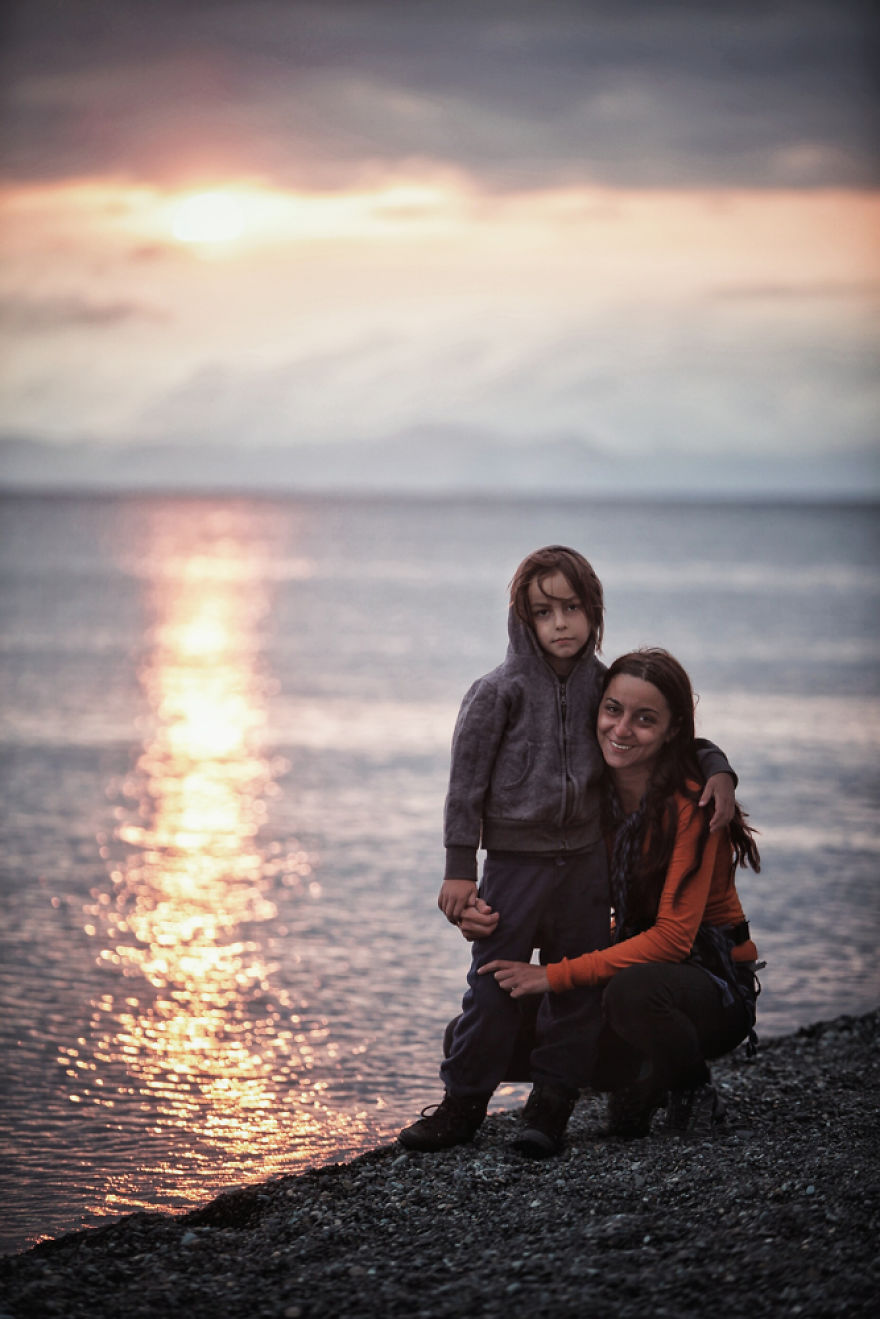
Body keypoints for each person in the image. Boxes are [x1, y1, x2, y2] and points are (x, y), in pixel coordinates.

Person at [398, 548, 737, 1157]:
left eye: (572, 607)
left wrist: (720, 768)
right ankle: (461, 1106)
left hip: (584, 865)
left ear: (594, 611)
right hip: (512, 865)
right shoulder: (495, 692)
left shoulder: (601, 688)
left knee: (574, 995)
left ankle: (551, 1110)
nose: (560, 623)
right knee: (493, 988)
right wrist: (458, 870)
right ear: (521, 619)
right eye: (543, 610)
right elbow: (464, 784)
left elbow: (676, 729)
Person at [477, 647, 762, 1146]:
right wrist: (481, 908)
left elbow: (674, 941)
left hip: (710, 985)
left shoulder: (696, 806)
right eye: (613, 710)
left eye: (645, 719)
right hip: (630, 969)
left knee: (633, 994)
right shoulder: (588, 794)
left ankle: (691, 1089)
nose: (622, 729)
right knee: (487, 1024)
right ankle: (638, 1076)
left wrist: (554, 975)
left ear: (673, 730)